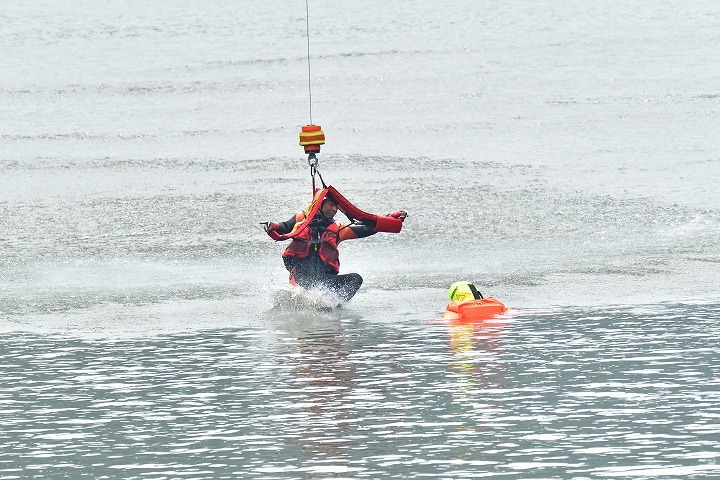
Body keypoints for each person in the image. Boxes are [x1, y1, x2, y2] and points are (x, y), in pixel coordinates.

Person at [264, 195, 407, 303]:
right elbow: (283, 227)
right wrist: (272, 225)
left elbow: (367, 229)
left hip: (324, 280)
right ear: (320, 204)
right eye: (331, 205)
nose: (334, 209)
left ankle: (333, 305)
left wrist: (390, 219)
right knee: (297, 293)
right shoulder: (302, 218)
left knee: (356, 279)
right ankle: (301, 300)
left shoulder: (339, 229)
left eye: (336, 207)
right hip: (300, 277)